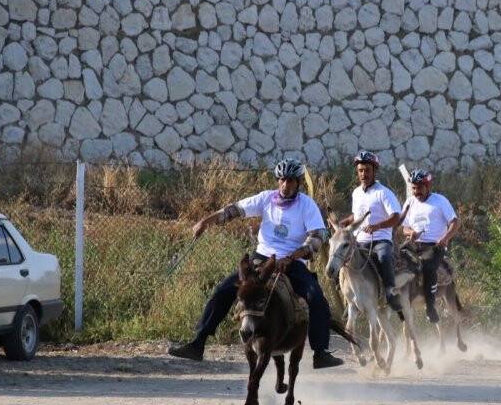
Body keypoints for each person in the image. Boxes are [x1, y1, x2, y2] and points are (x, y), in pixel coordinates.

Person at [168, 157, 343, 368]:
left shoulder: (307, 205)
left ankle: (320, 352)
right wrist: (205, 222)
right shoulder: (266, 198)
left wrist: (295, 255)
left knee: (316, 296)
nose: (286, 185)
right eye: (282, 180)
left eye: (291, 181)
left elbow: (318, 235)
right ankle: (198, 343)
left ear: (298, 183)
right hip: (260, 259)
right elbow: (233, 210)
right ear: (278, 181)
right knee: (223, 290)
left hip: (292, 262)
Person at [338, 150, 404, 316]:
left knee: (384, 258)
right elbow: (358, 215)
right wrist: (348, 220)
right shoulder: (356, 193)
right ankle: (348, 298)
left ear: (374, 171)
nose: (363, 174)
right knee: (340, 260)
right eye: (360, 170)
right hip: (359, 241)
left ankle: (390, 294)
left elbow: (396, 217)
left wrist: (377, 226)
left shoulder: (384, 192)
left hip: (381, 240)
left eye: (367, 170)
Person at [400, 169, 460, 323]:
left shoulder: (440, 201)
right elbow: (404, 227)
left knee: (428, 267)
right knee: (395, 260)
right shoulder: (410, 202)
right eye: (413, 188)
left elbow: (455, 222)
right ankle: (396, 301)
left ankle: (431, 306)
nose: (416, 191)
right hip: (414, 245)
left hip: (435, 246)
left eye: (419, 187)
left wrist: (445, 238)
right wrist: (411, 232)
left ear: (427, 186)